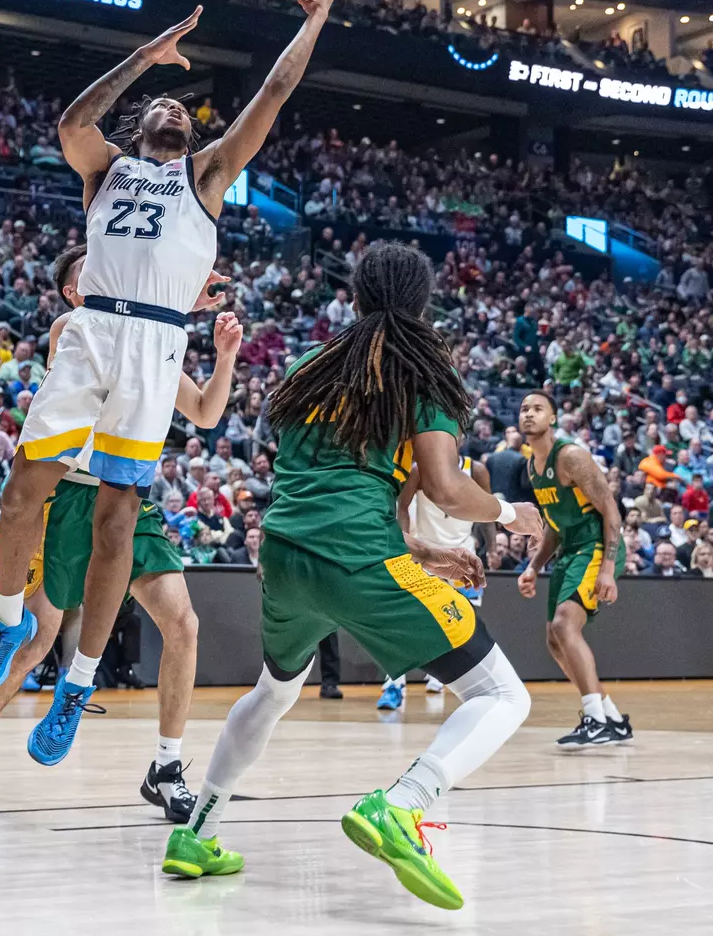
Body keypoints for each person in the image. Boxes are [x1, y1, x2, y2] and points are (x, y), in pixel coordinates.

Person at [0, 0, 345, 752]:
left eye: (183, 106)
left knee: (117, 525)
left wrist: (313, 20)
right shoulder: (106, 170)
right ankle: (6, 627)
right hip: (96, 332)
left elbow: (271, 95)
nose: (176, 108)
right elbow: (72, 123)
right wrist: (144, 58)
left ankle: (76, 685)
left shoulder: (204, 175)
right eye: (162, 104)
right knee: (21, 489)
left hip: (156, 344)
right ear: (141, 123)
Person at [162, 243, 540, 909]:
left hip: (284, 548)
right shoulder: (421, 369)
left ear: (357, 298)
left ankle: (196, 833)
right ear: (423, 304)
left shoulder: (313, 363)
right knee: (502, 695)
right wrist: (512, 512)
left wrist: (415, 549)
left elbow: (350, 474)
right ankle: (404, 804)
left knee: (273, 691)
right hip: (355, 553)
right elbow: (449, 489)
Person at [0, 245, 244, 818]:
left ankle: (167, 767)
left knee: (183, 624)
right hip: (68, 497)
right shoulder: (72, 328)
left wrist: (222, 356)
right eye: (91, 272)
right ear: (78, 290)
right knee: (36, 639)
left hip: (128, 500)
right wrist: (173, 299)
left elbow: (203, 413)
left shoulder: (151, 339)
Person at [517, 392, 631, 748]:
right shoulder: (531, 468)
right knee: (554, 637)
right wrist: (534, 566)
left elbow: (611, 509)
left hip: (596, 544)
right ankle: (611, 718)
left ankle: (594, 719)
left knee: (566, 623)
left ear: (552, 418)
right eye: (524, 409)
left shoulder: (570, 456)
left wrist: (609, 568)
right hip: (570, 549)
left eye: (537, 409)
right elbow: (553, 525)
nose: (528, 415)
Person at [378, 453, 496, 708]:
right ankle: (394, 685)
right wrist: (405, 542)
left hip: (463, 556)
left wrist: (494, 547)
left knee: (464, 625)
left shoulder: (476, 471)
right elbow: (402, 506)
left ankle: (445, 679)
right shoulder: (421, 468)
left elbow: (488, 511)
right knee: (408, 624)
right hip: (427, 554)